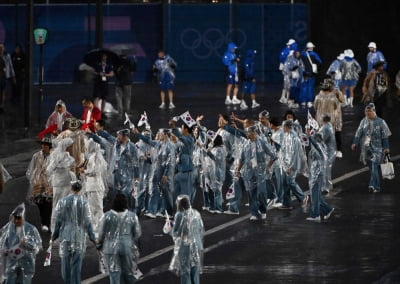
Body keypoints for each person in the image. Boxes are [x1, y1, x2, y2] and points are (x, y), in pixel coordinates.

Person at [51, 181, 96, 284]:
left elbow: (58, 221)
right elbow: (88, 223)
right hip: (79, 238)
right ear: (80, 189)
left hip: (66, 237)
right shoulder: (84, 203)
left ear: (71, 188)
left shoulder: (62, 202)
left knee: (65, 265)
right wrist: (93, 238)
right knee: (76, 266)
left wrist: (54, 236)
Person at [97, 193, 142, 284]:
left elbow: (101, 233)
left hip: (110, 249)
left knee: (114, 274)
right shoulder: (132, 216)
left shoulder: (106, 216)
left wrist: (99, 245)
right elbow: (137, 234)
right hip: (127, 248)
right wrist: (138, 246)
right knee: (128, 274)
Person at [235, 125, 277, 221]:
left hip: (260, 171)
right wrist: (238, 171)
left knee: (262, 192)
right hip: (249, 171)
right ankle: (254, 212)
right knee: (251, 192)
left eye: (249, 132)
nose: (247, 134)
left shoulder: (262, 143)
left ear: (254, 133)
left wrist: (268, 166)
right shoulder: (245, 144)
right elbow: (241, 159)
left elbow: (273, 155)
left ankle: (263, 210)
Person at [351, 103, 391, 192]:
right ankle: (375, 184)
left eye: (369, 111)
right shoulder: (363, 121)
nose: (368, 113)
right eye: (366, 111)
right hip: (366, 148)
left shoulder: (381, 122)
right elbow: (359, 133)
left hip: (378, 148)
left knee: (374, 165)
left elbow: (385, 136)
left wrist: (386, 147)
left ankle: (373, 186)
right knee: (372, 167)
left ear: (374, 111)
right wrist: (355, 143)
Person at [98, 128, 140, 209]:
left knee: (127, 195)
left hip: (128, 176)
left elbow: (136, 163)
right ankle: (118, 213)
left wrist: (136, 178)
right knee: (116, 194)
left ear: (125, 136)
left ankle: (130, 213)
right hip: (116, 174)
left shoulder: (132, 147)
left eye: (119, 135)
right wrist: (98, 131)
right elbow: (108, 137)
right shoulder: (116, 143)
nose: (117, 137)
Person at [0, 203, 42, 284]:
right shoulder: (8, 228)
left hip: (26, 262)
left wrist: (26, 243)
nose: (16, 221)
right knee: (10, 281)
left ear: (23, 218)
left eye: (18, 219)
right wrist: (4, 249)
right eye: (14, 218)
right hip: (12, 261)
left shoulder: (31, 229)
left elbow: (37, 247)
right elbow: (2, 242)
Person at [169, 195, 204, 284]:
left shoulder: (179, 215)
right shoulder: (196, 213)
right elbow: (200, 229)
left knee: (185, 271)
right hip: (197, 246)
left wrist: (169, 228)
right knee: (195, 271)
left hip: (185, 247)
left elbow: (176, 233)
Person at [46, 137, 76, 233]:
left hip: (67, 183)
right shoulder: (56, 155)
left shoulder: (67, 155)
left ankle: (66, 227)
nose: (72, 147)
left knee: (67, 205)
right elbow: (49, 169)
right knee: (57, 206)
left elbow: (71, 163)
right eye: (70, 146)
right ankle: (55, 228)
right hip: (58, 184)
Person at [278, 120, 308, 210]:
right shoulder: (286, 136)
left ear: (287, 127)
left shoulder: (295, 139)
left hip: (292, 165)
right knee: (285, 183)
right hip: (285, 164)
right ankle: (287, 203)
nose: (282, 128)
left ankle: (303, 197)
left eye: (283, 126)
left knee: (291, 182)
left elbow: (295, 155)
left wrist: (290, 167)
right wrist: (283, 163)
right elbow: (282, 149)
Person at [80, 139, 108, 236]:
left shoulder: (96, 157)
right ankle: (94, 229)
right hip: (91, 187)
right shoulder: (91, 157)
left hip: (96, 187)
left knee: (98, 209)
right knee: (92, 209)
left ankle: (100, 230)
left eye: (88, 146)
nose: (86, 148)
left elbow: (95, 171)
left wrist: (85, 171)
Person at [26, 136, 53, 233]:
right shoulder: (36, 156)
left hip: (49, 184)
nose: (43, 146)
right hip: (38, 184)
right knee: (40, 203)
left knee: (48, 204)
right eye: (42, 145)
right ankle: (44, 220)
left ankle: (46, 223)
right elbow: (30, 169)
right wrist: (32, 180)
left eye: (45, 145)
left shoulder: (53, 156)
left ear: (50, 146)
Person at [305, 132, 335, 222]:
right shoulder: (321, 147)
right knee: (317, 197)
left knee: (315, 197)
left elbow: (316, 145)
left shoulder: (319, 147)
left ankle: (315, 215)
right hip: (316, 174)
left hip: (317, 175)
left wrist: (309, 137)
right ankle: (328, 210)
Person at [314, 78, 345, 158]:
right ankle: (323, 150)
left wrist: (339, 95)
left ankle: (338, 150)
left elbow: (342, 100)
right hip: (323, 117)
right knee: (323, 133)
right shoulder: (320, 95)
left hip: (335, 116)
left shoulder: (336, 92)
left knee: (337, 133)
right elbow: (316, 106)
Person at [169, 119, 195, 203]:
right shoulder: (182, 141)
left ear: (186, 130)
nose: (181, 129)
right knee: (176, 196)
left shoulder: (190, 140)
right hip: (178, 172)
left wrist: (173, 127)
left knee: (185, 196)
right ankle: (178, 213)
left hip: (186, 172)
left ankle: (186, 215)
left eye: (182, 128)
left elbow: (181, 138)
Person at [300, 42, 322, 108]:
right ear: (311, 47)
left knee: (304, 87)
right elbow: (320, 62)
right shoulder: (314, 54)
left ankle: (303, 101)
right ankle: (309, 102)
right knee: (310, 87)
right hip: (311, 73)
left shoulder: (302, 54)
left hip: (304, 73)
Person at [318, 114, 336, 193]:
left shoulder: (325, 128)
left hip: (328, 152)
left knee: (325, 169)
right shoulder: (329, 126)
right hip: (330, 151)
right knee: (327, 169)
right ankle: (328, 186)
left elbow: (322, 139)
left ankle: (325, 187)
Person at [279, 39, 298, 104]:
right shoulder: (289, 51)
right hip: (288, 70)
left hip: (288, 69)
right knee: (288, 84)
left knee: (288, 84)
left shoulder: (287, 50)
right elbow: (285, 60)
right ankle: (285, 98)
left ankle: (285, 98)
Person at [0, 43, 15, 114]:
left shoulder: (7, 56)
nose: (1, 49)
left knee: (3, 91)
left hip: (4, 76)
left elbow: (10, 66)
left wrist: (13, 76)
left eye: (2, 47)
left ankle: (2, 105)